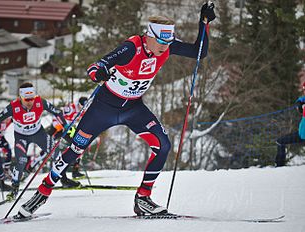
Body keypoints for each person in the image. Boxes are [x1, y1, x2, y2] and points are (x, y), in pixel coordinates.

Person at [16, 3, 216, 218]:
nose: (165, 46)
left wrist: (203, 23)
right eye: (160, 41)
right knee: (74, 151)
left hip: (133, 108)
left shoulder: (166, 46)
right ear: (149, 36)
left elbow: (199, 53)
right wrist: (99, 73)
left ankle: (143, 199)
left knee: (163, 145)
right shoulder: (131, 48)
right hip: (103, 109)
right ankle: (42, 193)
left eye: (168, 41)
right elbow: (95, 67)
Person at [0, 82, 68, 201]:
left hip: (39, 133)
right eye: (26, 99)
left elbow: (57, 112)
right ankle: (14, 188)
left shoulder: (40, 102)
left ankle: (64, 179)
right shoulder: (13, 106)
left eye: (32, 98)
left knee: (56, 153)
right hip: (21, 137)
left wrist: (65, 126)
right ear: (20, 97)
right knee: (21, 161)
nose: (30, 102)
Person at [275, 82, 305, 167]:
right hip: (301, 133)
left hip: (303, 135)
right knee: (280, 141)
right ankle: (279, 167)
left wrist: (302, 107)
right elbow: (301, 99)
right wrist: (299, 102)